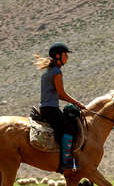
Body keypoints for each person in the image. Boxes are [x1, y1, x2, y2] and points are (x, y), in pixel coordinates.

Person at [34, 42, 86, 173]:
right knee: (69, 129)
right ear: (58, 56)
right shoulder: (57, 72)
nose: (67, 58)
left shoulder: (48, 72)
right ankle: (66, 162)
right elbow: (61, 94)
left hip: (46, 108)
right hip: (51, 109)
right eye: (65, 55)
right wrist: (77, 103)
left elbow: (58, 94)